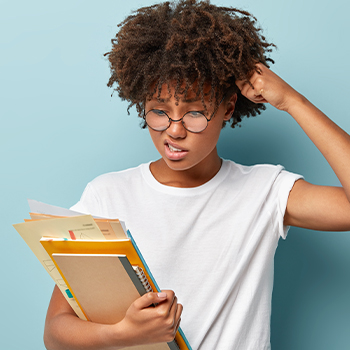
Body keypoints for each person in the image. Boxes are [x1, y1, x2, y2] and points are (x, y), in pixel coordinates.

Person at [43, 1, 350, 349]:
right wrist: (122, 334)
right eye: (159, 111)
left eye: (195, 113)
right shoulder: (107, 195)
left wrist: (292, 101)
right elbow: (55, 333)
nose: (174, 130)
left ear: (227, 109)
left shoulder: (266, 191)